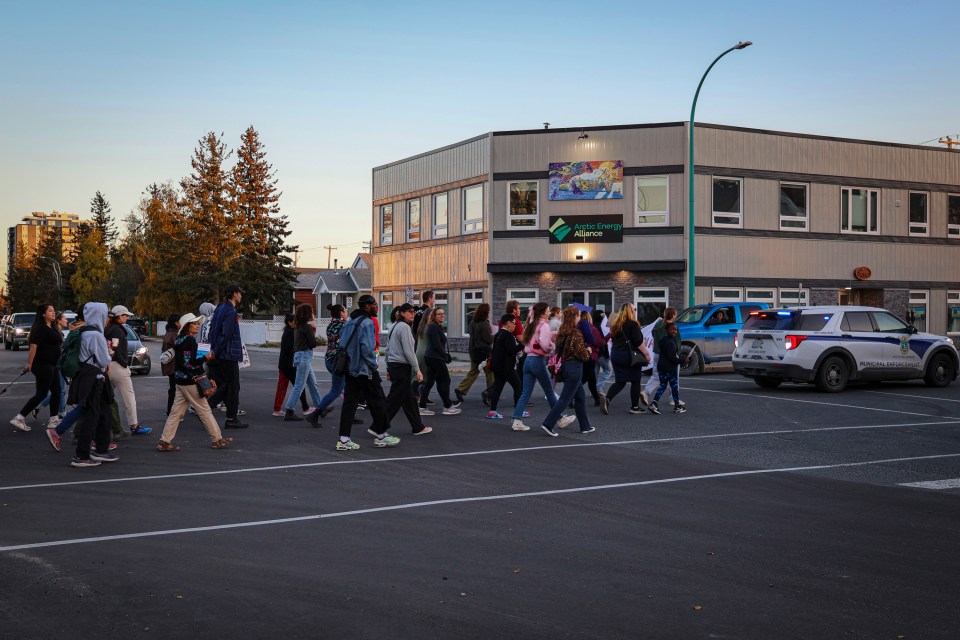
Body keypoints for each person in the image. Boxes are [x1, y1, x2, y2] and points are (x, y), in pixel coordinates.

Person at [157, 312, 234, 451]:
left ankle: (164, 441)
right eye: (194, 323)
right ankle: (217, 440)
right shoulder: (189, 341)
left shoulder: (180, 340)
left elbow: (184, 362)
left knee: (175, 413)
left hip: (180, 381)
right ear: (187, 326)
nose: (197, 325)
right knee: (205, 411)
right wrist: (206, 358)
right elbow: (190, 363)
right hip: (190, 381)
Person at [337, 295, 397, 450]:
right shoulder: (368, 323)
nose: (377, 307)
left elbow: (342, 343)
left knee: (350, 404)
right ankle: (381, 435)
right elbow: (367, 349)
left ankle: (343, 440)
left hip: (350, 369)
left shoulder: (350, 321)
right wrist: (373, 366)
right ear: (367, 306)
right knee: (378, 401)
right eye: (375, 304)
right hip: (365, 370)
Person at [67, 302, 118, 468]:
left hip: (88, 377)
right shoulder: (96, 335)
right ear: (99, 315)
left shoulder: (84, 331)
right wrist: (110, 352)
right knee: (93, 415)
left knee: (103, 413)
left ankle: (101, 449)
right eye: (105, 315)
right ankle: (81, 456)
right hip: (94, 378)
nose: (107, 319)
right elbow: (104, 360)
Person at [511, 302, 571, 432]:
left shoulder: (531, 324)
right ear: (543, 312)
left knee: (525, 393)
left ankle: (516, 420)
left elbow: (530, 342)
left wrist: (551, 336)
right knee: (549, 391)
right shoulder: (543, 325)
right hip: (538, 361)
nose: (549, 312)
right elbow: (544, 344)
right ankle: (559, 418)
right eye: (548, 310)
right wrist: (552, 347)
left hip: (528, 360)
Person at [540, 307, 594, 436]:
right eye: (579, 315)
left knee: (580, 397)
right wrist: (588, 351)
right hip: (574, 368)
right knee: (565, 398)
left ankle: (585, 426)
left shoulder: (562, 332)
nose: (580, 318)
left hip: (564, 367)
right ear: (575, 317)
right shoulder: (576, 333)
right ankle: (548, 423)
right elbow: (581, 354)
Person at [10, 304, 63, 432]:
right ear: (43, 314)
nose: (53, 313)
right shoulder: (40, 328)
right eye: (50, 311)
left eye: (54, 310)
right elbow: (33, 346)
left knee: (57, 391)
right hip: (42, 365)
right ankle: (19, 418)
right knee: (42, 393)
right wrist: (29, 363)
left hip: (52, 365)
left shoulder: (51, 327)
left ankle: (53, 419)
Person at [385, 303, 432, 435]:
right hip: (401, 367)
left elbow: (388, 349)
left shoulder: (393, 326)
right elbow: (409, 351)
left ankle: (418, 427)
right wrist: (417, 369)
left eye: (414, 312)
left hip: (395, 366)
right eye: (410, 311)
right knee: (394, 400)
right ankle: (379, 426)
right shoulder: (404, 327)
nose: (413, 314)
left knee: (409, 399)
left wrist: (388, 367)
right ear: (402, 313)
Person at [104, 305, 151, 435]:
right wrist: (124, 364)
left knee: (105, 398)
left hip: (108, 366)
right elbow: (116, 349)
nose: (128, 317)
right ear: (118, 316)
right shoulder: (118, 330)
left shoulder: (108, 329)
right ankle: (134, 426)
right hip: (118, 367)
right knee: (129, 399)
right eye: (125, 315)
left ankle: (99, 426)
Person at [207, 285, 247, 429]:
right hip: (228, 354)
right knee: (233, 386)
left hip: (221, 353)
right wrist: (217, 351)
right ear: (235, 295)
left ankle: (229, 417)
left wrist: (214, 349)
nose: (241, 296)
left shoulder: (220, 309)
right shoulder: (230, 311)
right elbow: (227, 334)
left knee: (227, 385)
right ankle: (227, 417)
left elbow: (213, 330)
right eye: (240, 293)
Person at [601, 303, 652, 415]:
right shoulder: (633, 324)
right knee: (635, 380)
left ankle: (607, 399)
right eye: (634, 309)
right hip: (628, 356)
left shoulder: (616, 325)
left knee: (620, 381)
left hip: (616, 354)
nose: (635, 311)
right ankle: (634, 407)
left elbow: (613, 341)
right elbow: (638, 342)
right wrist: (646, 354)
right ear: (630, 311)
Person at [282, 304, 323, 424]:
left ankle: (320, 407)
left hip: (301, 356)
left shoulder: (299, 327)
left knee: (312, 383)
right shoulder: (307, 327)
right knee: (299, 385)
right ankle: (289, 411)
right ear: (307, 314)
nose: (313, 314)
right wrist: (314, 331)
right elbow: (313, 343)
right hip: (305, 356)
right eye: (311, 311)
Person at [419, 307, 461, 415]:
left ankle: (422, 406)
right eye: (439, 314)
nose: (442, 315)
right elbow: (436, 344)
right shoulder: (434, 327)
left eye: (443, 313)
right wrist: (445, 355)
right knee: (445, 380)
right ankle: (447, 406)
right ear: (434, 316)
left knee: (430, 382)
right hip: (435, 357)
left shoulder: (435, 327)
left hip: (432, 357)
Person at [486, 314, 527, 420]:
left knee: (498, 389)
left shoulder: (498, 334)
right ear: (508, 323)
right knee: (518, 386)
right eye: (514, 323)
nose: (515, 326)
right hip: (507, 367)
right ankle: (519, 411)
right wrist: (523, 344)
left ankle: (492, 411)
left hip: (498, 366)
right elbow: (511, 350)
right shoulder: (507, 335)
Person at [455, 303, 494, 405]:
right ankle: (490, 393)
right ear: (486, 312)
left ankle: (460, 389)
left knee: (473, 372)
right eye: (488, 311)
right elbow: (488, 339)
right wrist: (494, 336)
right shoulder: (484, 323)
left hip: (473, 352)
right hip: (484, 353)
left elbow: (471, 335)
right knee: (490, 372)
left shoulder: (473, 322)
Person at [273, 313, 309, 417]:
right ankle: (305, 407)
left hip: (284, 364)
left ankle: (277, 408)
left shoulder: (289, 331)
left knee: (283, 386)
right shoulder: (290, 333)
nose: (296, 323)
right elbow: (289, 348)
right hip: (288, 364)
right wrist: (297, 354)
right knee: (299, 385)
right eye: (294, 321)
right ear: (289, 323)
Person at [641, 307, 678, 407]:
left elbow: (653, 334)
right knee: (674, 378)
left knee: (656, 376)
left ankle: (646, 392)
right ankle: (673, 399)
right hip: (669, 355)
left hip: (657, 353)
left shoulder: (658, 324)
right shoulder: (673, 327)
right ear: (673, 315)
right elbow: (677, 341)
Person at [36, 311, 69, 421]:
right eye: (65, 318)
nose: (67, 320)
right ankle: (61, 413)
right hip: (57, 364)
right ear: (59, 320)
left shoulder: (59, 332)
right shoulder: (56, 333)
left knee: (60, 390)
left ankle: (60, 412)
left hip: (59, 364)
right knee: (60, 391)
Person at [648, 323, 686, 415]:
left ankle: (654, 403)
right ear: (667, 330)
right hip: (670, 368)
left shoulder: (664, 340)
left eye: (675, 330)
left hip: (662, 367)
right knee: (674, 387)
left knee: (663, 385)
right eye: (672, 329)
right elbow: (672, 358)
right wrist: (682, 360)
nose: (674, 331)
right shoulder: (670, 343)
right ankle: (677, 406)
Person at [317, 304, 347, 418]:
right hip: (338, 362)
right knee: (336, 390)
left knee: (348, 387)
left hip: (329, 359)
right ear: (341, 313)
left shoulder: (330, 325)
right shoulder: (344, 325)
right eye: (345, 310)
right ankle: (317, 412)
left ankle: (350, 414)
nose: (346, 312)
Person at [577, 309, 600, 405]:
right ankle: (570, 397)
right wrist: (608, 336)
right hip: (590, 355)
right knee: (585, 378)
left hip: (583, 355)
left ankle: (597, 399)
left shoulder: (578, 327)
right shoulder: (592, 328)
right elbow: (597, 342)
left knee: (592, 379)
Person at [161, 313, 181, 416]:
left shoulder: (169, 333)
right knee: (175, 390)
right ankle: (172, 412)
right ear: (176, 323)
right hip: (174, 367)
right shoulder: (174, 335)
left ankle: (171, 411)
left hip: (169, 367)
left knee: (173, 389)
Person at [592, 310, 612, 395]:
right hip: (602, 351)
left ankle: (594, 391)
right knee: (608, 370)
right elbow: (602, 340)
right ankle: (598, 388)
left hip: (595, 352)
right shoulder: (602, 327)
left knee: (595, 373)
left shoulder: (593, 326)